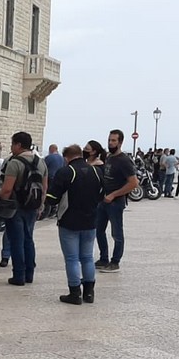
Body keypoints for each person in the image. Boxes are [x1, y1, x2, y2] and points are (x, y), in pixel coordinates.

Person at [52, 144, 103, 305]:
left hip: (69, 221)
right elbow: (103, 193)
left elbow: (52, 197)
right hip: (90, 220)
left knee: (72, 258)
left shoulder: (66, 172)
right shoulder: (96, 171)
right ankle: (89, 293)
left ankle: (75, 293)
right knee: (87, 257)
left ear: (67, 158)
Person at [0, 132, 44, 286]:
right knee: (28, 239)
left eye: (12, 144)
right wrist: (40, 205)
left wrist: (0, 201)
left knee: (16, 240)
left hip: (16, 206)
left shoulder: (15, 163)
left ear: (18, 145)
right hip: (32, 206)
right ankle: (29, 274)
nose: (11, 148)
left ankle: (18, 276)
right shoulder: (41, 162)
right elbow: (45, 187)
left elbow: (6, 189)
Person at [94, 129, 138, 272]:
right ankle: (103, 258)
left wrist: (114, 195)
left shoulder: (124, 161)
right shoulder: (109, 157)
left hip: (115, 202)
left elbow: (133, 183)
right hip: (103, 200)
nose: (110, 143)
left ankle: (115, 262)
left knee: (116, 233)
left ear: (120, 142)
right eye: (109, 140)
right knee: (99, 230)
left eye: (114, 141)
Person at [41, 144, 66, 220]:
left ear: (51, 149)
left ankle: (47, 210)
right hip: (59, 178)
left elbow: (43, 167)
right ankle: (54, 210)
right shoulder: (62, 158)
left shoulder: (49, 157)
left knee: (48, 194)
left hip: (50, 177)